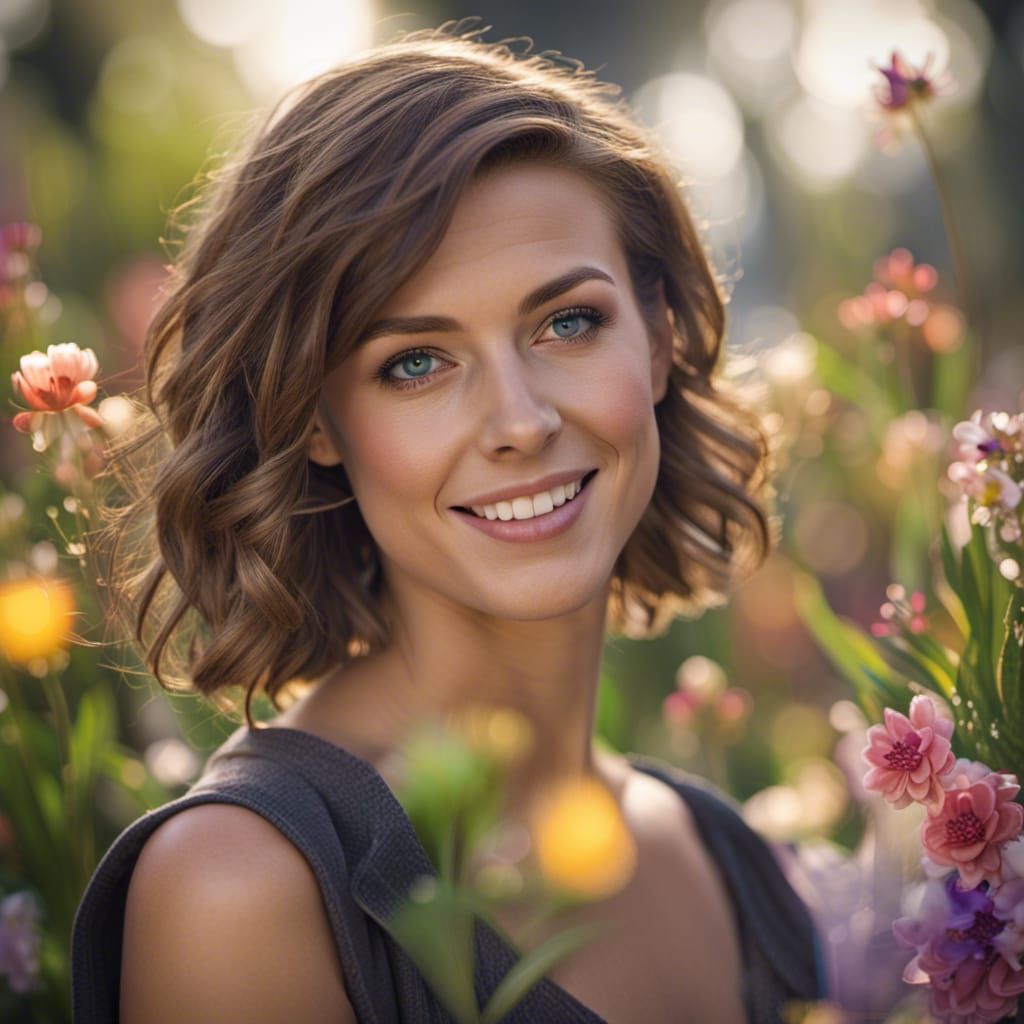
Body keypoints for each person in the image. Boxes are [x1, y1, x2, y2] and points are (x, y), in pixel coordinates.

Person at [71, 20, 828, 1024]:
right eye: (415, 363)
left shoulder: (730, 858)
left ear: (658, 336)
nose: (519, 421)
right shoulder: (244, 890)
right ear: (316, 420)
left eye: (567, 322)